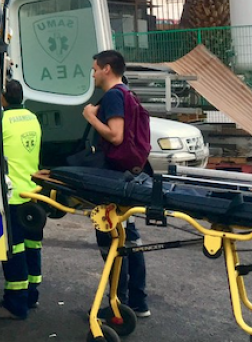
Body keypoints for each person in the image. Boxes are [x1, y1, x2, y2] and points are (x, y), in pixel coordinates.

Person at [82, 50, 151, 318]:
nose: (93, 73)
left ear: (107, 69)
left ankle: (117, 303)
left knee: (110, 238)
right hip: (128, 174)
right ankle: (137, 301)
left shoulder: (113, 95)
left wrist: (90, 117)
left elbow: (116, 135)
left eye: (95, 68)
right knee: (128, 236)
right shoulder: (126, 93)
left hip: (114, 177)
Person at [0, 80, 43, 320]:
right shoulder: (32, 117)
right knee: (32, 246)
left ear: (3, 98)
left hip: (12, 195)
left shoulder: (0, 120)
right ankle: (31, 295)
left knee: (14, 250)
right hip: (33, 192)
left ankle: (15, 304)